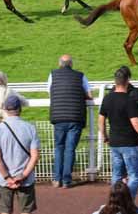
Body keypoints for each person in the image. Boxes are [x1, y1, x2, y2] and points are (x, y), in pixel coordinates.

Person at [99, 68, 138, 200]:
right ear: (128, 80)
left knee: (117, 175)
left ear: (115, 81)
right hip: (130, 143)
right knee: (134, 175)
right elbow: (136, 122)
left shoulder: (107, 98)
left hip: (114, 143)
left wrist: (105, 136)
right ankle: (129, 204)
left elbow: (100, 120)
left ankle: (115, 203)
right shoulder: (129, 100)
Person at [47, 54, 93, 189]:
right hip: (75, 117)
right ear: (71, 64)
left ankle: (57, 179)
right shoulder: (81, 76)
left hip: (58, 116)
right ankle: (66, 180)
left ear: (59, 64)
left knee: (59, 147)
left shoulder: (52, 75)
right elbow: (90, 96)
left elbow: (50, 93)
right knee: (70, 149)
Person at [0, 95, 40, 214]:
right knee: (26, 211)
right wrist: (23, 175)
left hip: (4, 179)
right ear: (20, 109)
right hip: (25, 179)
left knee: (5, 211)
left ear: (6, 110)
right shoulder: (30, 128)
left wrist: (7, 177)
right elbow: (35, 157)